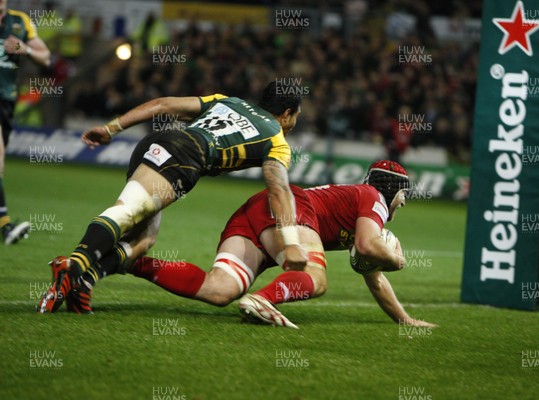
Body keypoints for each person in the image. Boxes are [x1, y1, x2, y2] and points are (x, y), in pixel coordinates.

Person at [41, 159, 436, 330]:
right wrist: (397, 259)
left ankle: (114, 263)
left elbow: (373, 275)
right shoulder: (374, 197)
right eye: (404, 195)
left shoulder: (361, 205)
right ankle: (264, 300)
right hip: (289, 210)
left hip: (257, 213)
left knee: (219, 290)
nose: (403, 203)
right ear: (392, 189)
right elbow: (368, 248)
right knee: (315, 277)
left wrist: (405, 320)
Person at [37, 81, 308, 313]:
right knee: (129, 210)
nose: (293, 124)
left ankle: (84, 280)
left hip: (160, 142)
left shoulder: (228, 101)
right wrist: (291, 241)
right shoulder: (277, 141)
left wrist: (111, 129)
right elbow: (279, 189)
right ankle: (74, 264)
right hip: (185, 158)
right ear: (286, 114)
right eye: (295, 117)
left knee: (143, 241)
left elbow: (162, 104)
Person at [0, 0, 51, 244]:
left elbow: (46, 58)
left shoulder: (20, 21)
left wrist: (25, 50)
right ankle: (5, 225)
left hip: (6, 101)